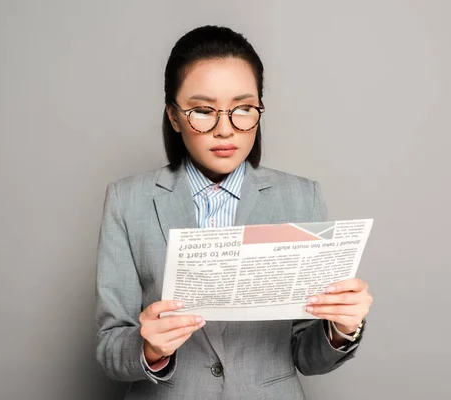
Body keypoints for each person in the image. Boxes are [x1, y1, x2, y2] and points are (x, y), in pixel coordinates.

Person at [95, 25, 373, 400]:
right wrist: (149, 350)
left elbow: (308, 358)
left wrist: (340, 328)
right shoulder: (127, 201)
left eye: (243, 109)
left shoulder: (301, 198)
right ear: (174, 117)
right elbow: (110, 348)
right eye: (203, 111)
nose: (225, 130)